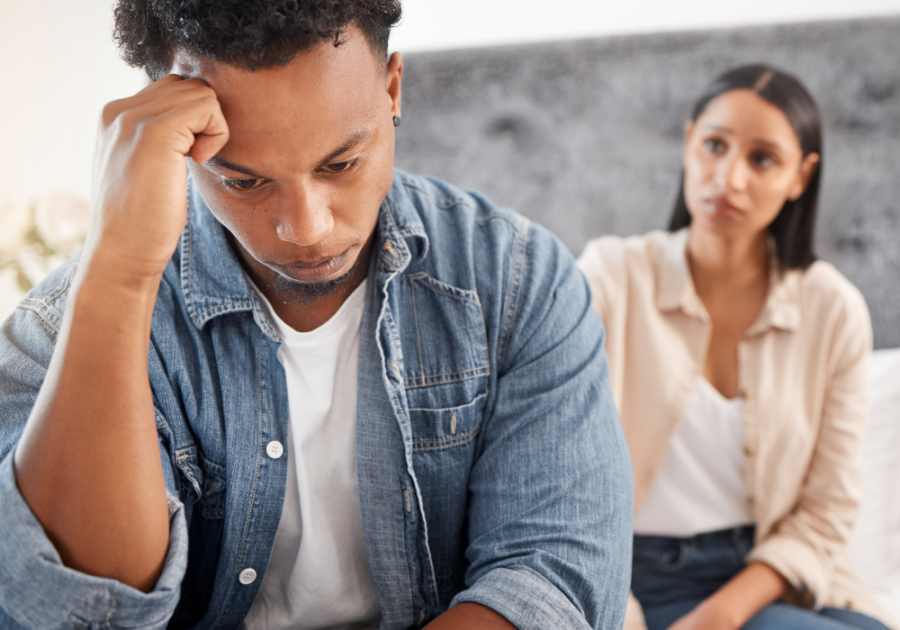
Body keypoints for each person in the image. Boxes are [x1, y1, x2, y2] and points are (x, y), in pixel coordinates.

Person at [0, 1, 634, 629]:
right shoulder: (58, 332)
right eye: (244, 182)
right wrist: (118, 271)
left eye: (341, 164)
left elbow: (551, 588)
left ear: (392, 90)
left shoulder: (518, 282)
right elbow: (76, 610)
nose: (307, 229)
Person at [578, 64, 895, 630]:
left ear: (802, 176)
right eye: (715, 145)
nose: (729, 177)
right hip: (629, 575)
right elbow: (562, 468)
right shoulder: (611, 277)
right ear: (687, 143)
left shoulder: (833, 310)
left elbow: (828, 507)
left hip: (768, 578)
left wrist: (721, 615)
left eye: (762, 159)